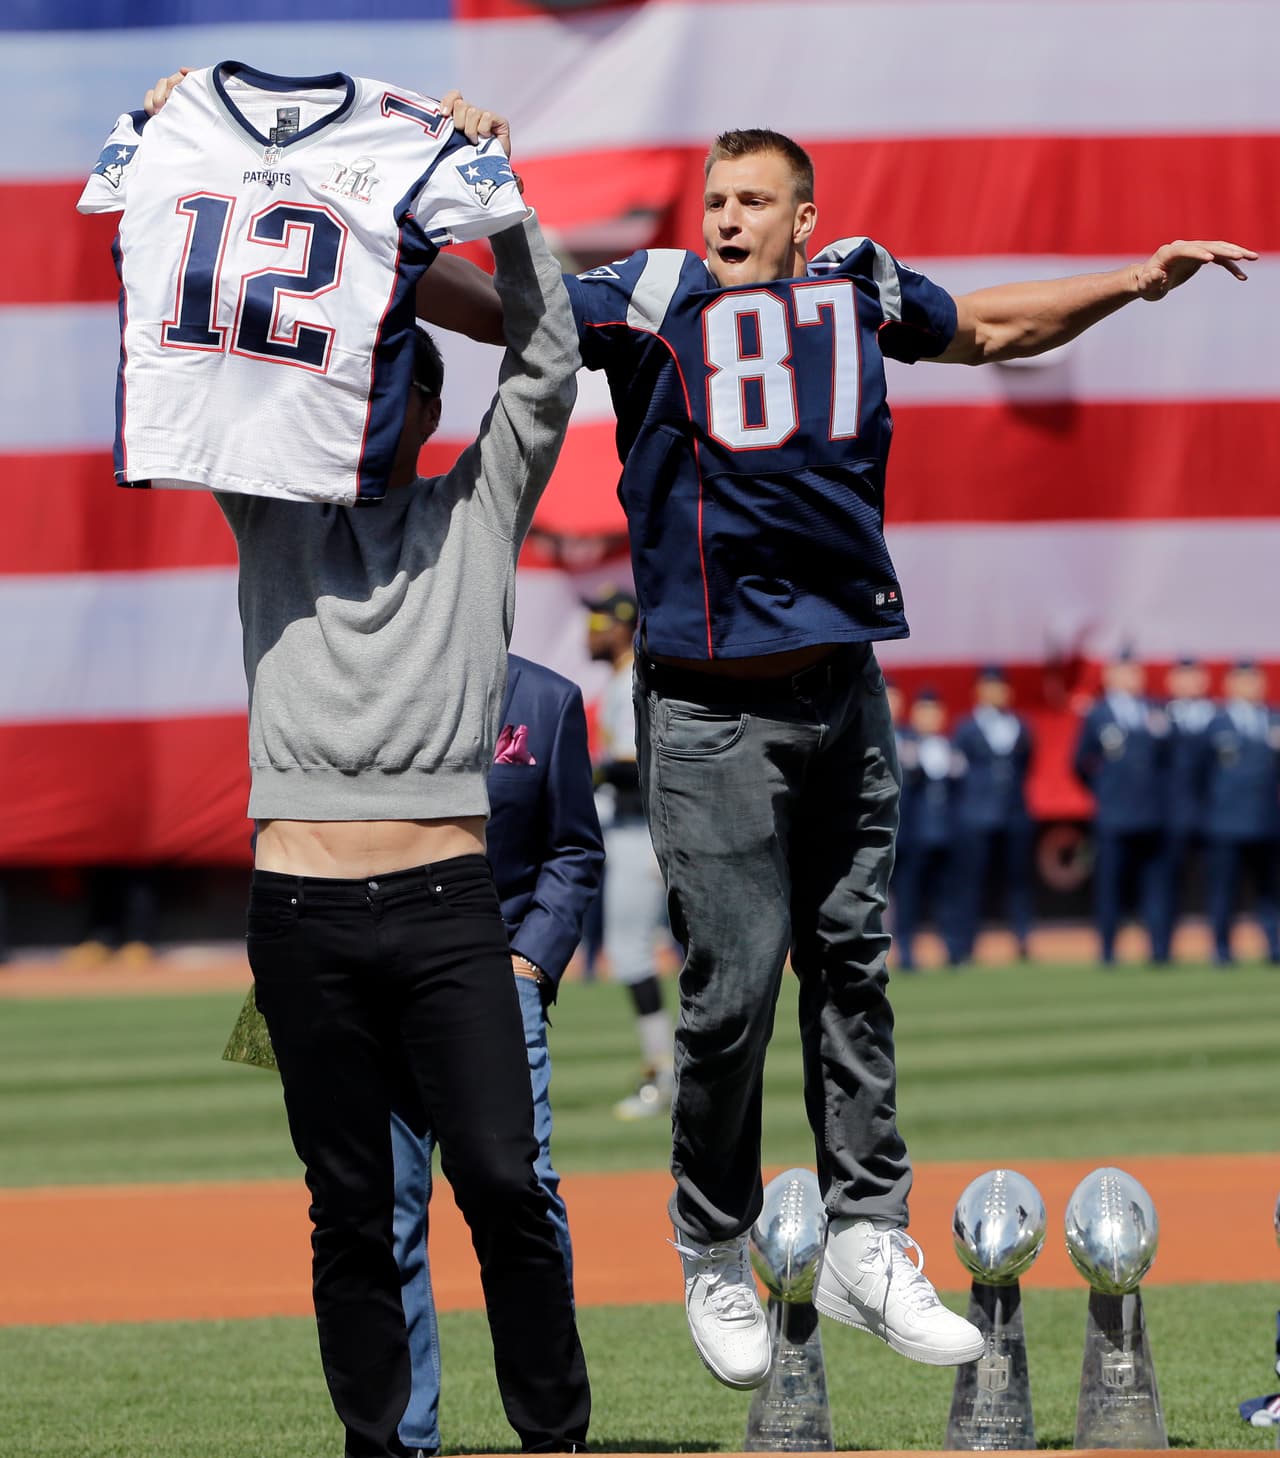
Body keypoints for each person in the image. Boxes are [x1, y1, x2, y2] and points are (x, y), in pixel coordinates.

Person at [557, 127, 1254, 1390]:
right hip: (708, 706)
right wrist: (408, 212)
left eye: (751, 200)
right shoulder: (651, 297)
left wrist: (1133, 280)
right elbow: (507, 308)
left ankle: (867, 1238)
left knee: (854, 971)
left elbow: (989, 328)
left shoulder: (855, 286)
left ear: (801, 219)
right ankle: (711, 1246)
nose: (724, 218)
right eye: (713, 198)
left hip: (841, 688)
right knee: (728, 995)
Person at [141, 75, 590, 1457]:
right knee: (348, 1205)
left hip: (453, 910)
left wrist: (507, 213)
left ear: (416, 410)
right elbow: (196, 350)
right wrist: (179, 143)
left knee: (508, 1184)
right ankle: (382, 1444)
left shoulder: (478, 510)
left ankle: (553, 1432)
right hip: (303, 913)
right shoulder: (264, 510)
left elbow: (550, 361)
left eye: (384, 392)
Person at [391, 653, 603, 1456]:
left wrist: (529, 962)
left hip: (495, 969)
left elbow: (574, 848)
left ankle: (553, 1429)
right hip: (370, 978)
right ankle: (404, 1439)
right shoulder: (366, 678)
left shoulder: (544, 699)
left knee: (519, 1190)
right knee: (382, 1207)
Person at [584, 586, 676, 1120]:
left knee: (633, 952)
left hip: (641, 833)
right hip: (626, 831)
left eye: (600, 621)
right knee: (635, 951)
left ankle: (661, 1076)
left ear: (623, 627)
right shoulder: (621, 680)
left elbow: (635, 767)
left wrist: (578, 770)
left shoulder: (633, 680)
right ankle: (666, 1073)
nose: (591, 631)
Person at [1073, 650, 1170, 964]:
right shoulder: (1098, 714)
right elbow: (1079, 763)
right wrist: (1103, 791)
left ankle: (1158, 949)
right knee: (1110, 885)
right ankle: (1108, 950)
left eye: (1136, 671)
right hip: (1114, 815)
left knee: (1154, 885)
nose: (1133, 678)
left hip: (1152, 813)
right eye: (1126, 672)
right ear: (1111, 676)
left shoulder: (1155, 709)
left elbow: (1170, 762)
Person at [951, 667, 1036, 962]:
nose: (996, 693)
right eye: (990, 687)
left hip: (1014, 813)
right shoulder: (966, 727)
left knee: (1018, 879)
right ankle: (964, 945)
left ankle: (1023, 938)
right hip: (977, 815)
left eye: (1000, 687)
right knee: (971, 882)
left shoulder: (1020, 725)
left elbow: (1026, 764)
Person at [1203, 662, 1280, 966]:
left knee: (1269, 890)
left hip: (1266, 820)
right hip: (1225, 822)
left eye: (1256, 681)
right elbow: (1197, 775)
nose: (1252, 686)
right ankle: (1222, 949)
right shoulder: (1217, 723)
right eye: (1245, 681)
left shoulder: (1273, 718)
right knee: (1225, 890)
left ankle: (1274, 945)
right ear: (1231, 685)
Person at [891, 690, 965, 970]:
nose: (930, 718)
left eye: (935, 712)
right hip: (914, 834)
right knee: (908, 896)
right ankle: (907, 951)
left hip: (946, 833)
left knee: (947, 895)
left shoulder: (950, 745)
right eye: (925, 712)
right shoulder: (906, 744)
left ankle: (953, 948)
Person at [1161, 656, 1216, 955]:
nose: (1189, 683)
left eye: (1194, 676)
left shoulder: (1218, 716)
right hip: (1172, 816)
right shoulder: (1159, 717)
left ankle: (1221, 948)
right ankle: (1162, 948)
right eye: (1182, 676)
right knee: (1167, 885)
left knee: (1218, 886)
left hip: (1213, 816)